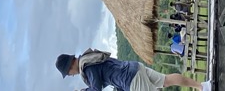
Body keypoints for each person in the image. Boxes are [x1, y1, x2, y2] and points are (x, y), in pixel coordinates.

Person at [55, 49, 209, 91]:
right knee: (166, 80)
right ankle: (203, 87)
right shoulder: (89, 56)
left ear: (70, 66)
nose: (70, 75)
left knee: (166, 81)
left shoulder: (86, 68)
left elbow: (96, 89)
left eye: (68, 73)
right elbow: (109, 74)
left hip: (131, 80)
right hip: (134, 68)